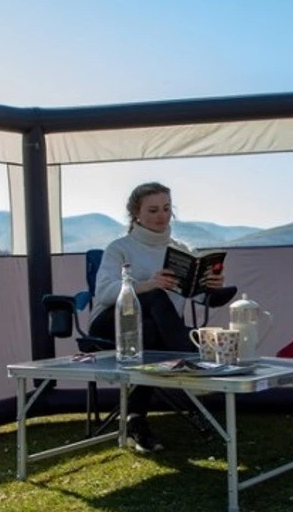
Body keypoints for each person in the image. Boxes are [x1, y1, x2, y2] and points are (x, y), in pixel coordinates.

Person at [89, 181, 228, 452]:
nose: (162, 216)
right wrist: (148, 284)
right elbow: (104, 293)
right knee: (156, 298)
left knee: (151, 331)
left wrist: (210, 285)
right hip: (111, 322)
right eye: (153, 210)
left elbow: (197, 297)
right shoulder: (119, 248)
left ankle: (135, 419)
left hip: (156, 330)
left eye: (166, 208)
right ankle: (192, 365)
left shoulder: (181, 250)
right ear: (136, 214)